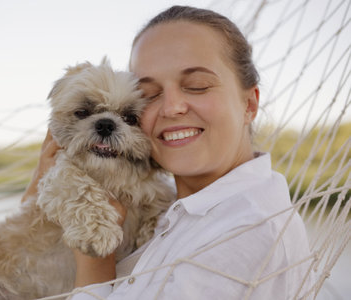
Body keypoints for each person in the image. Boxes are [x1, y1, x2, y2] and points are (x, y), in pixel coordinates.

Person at [64, 6, 315, 300]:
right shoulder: (172, 207)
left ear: (249, 104)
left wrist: (94, 257)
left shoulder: (244, 234)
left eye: (197, 86)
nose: (172, 107)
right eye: (149, 95)